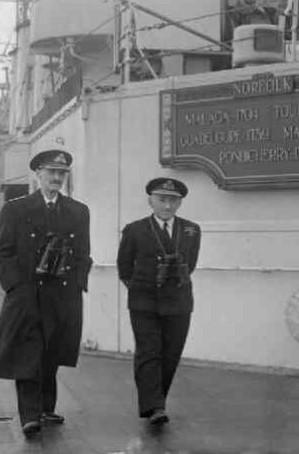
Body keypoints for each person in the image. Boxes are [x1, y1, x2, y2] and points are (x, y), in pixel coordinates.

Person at [0, 149, 92, 437]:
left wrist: (77, 283)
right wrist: (16, 288)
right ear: (38, 175)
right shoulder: (15, 210)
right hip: (27, 296)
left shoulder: (78, 211)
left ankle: (46, 408)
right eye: (51, 172)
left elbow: (84, 254)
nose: (57, 178)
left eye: (62, 173)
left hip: (62, 296)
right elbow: (2, 256)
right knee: (27, 354)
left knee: (52, 354)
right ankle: (30, 416)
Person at [117, 177, 201, 425]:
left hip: (179, 301)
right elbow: (124, 266)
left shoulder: (191, 230)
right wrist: (138, 288)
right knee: (149, 352)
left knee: (171, 354)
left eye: (173, 200)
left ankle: (157, 401)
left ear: (179, 203)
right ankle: (153, 406)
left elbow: (191, 264)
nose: (167, 206)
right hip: (144, 302)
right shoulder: (134, 230)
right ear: (150, 201)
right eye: (161, 199)